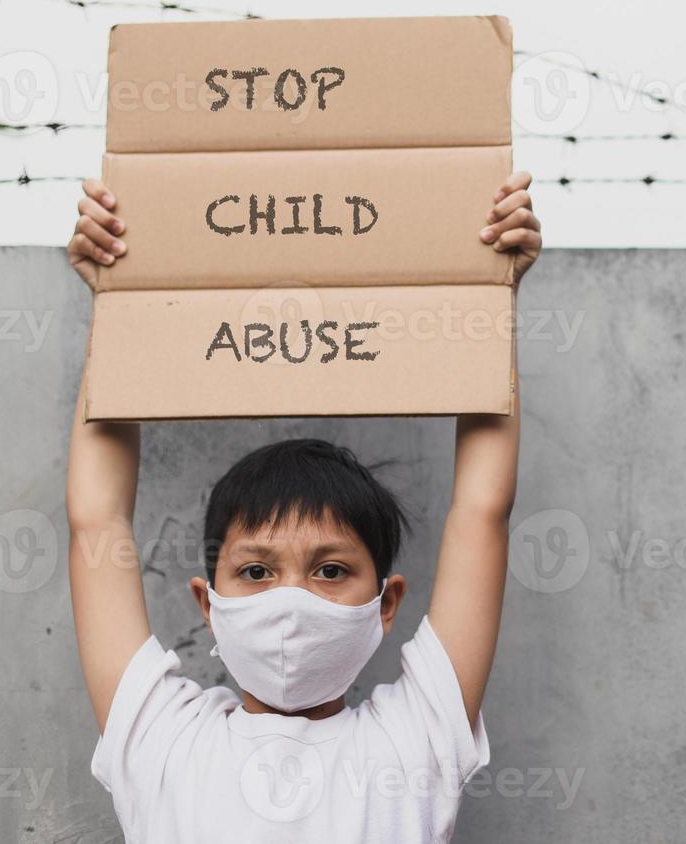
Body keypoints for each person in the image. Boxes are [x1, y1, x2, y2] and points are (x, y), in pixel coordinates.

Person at [64, 172, 541, 842]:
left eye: (331, 571)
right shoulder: (161, 740)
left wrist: (491, 293)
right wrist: (117, 301)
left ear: (388, 601)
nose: (291, 602)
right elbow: (96, 518)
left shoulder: (417, 738)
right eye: (256, 572)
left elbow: (483, 508)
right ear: (208, 602)